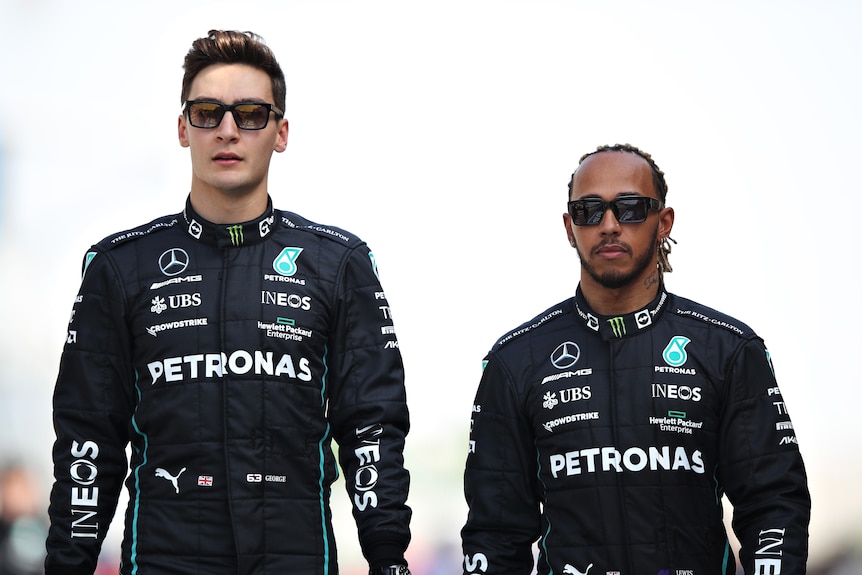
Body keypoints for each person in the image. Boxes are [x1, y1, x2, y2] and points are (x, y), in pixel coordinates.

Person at [45, 30, 412, 575]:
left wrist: (388, 560)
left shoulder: (338, 263)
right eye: (208, 112)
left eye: (251, 115)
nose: (227, 130)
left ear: (281, 132)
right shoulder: (120, 268)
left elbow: (372, 428)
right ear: (182, 128)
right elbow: (87, 441)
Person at [460, 144, 810, 574]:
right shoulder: (514, 362)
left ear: (663, 222)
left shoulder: (729, 350)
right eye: (589, 210)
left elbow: (775, 507)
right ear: (570, 228)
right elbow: (495, 535)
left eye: (629, 208)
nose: (609, 225)